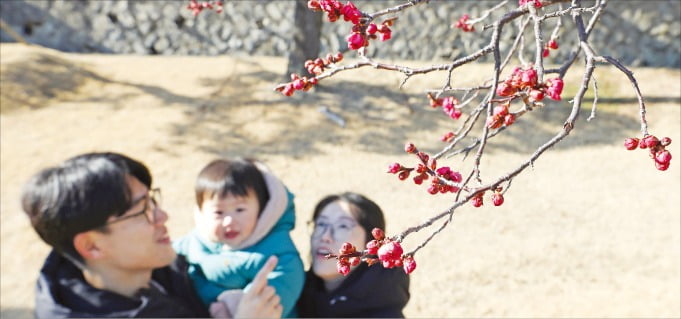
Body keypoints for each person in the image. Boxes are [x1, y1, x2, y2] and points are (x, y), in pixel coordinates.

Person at [21, 152, 282, 318]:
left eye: (152, 201)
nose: (162, 216)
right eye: (142, 210)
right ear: (92, 245)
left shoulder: (162, 270)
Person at [173, 158, 304, 318]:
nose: (229, 221)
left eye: (240, 210)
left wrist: (231, 304)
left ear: (262, 210)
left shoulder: (280, 257)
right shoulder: (194, 242)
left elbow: (268, 306)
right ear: (201, 213)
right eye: (218, 212)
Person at [297, 192, 410, 317]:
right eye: (321, 224)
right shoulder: (292, 294)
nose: (325, 236)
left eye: (343, 226)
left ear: (371, 242)